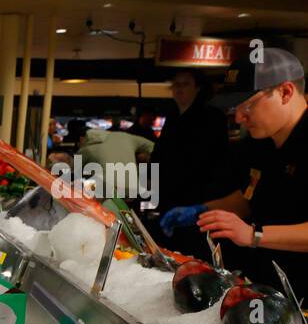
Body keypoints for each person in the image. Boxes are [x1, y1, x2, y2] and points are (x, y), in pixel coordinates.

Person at [163, 48, 308, 300]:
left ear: (285, 92)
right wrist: (203, 210)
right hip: (270, 287)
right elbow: (249, 199)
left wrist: (254, 235)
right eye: (236, 108)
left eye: (248, 105)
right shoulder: (261, 143)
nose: (239, 118)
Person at [147, 69, 229, 221]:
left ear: (197, 88)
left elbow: (215, 161)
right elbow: (159, 153)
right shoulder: (172, 115)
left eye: (185, 84)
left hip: (196, 200)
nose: (179, 88)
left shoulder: (212, 117)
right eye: (176, 84)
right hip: (168, 196)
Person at [49, 120, 154, 204]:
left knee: (77, 185)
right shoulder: (126, 136)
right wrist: (139, 157)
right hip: (133, 191)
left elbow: (75, 174)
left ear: (82, 139)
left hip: (105, 191)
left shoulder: (86, 149)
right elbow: (154, 147)